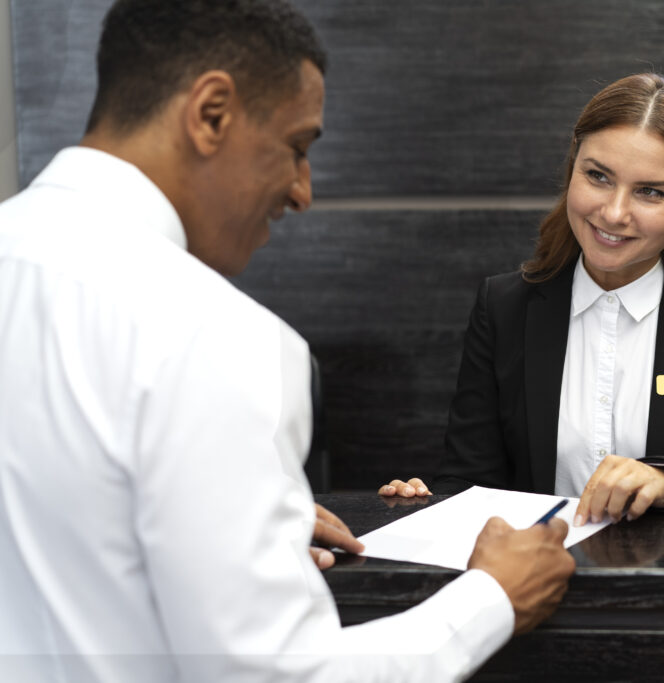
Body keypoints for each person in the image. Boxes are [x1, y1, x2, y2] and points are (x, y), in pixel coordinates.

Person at [0, 2, 574, 681]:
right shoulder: (217, 336)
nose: (302, 191)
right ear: (211, 112)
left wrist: (224, 529)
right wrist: (492, 598)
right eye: (297, 147)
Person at [382, 73, 664, 526]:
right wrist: (426, 501)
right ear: (572, 167)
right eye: (598, 176)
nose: (614, 213)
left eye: (650, 191)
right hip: (537, 580)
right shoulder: (503, 307)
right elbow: (472, 480)